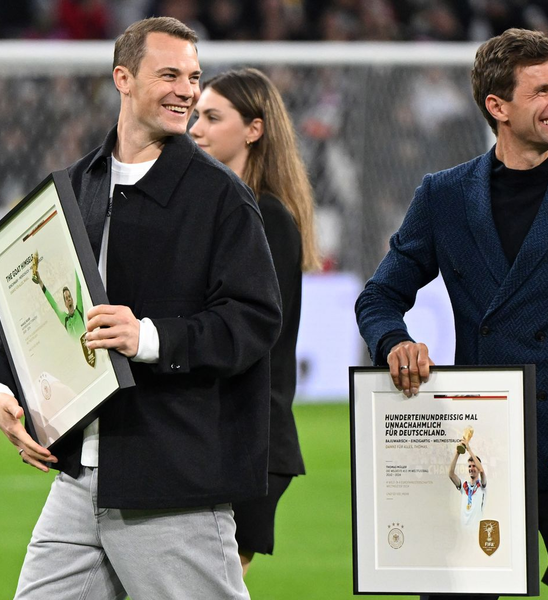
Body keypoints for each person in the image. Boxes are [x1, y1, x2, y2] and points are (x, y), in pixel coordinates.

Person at [0, 17, 282, 599]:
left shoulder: (220, 196)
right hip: (77, 481)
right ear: (123, 78)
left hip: (173, 481)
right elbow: (20, 311)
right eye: (168, 74)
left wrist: (148, 337)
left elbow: (254, 320)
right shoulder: (70, 187)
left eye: (193, 77)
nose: (186, 90)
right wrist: (1, 392)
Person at [355, 28, 548, 600]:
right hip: (487, 434)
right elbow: (378, 296)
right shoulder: (443, 195)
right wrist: (394, 342)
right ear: (498, 106)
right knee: (456, 591)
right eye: (541, 91)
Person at [189, 67, 320, 575]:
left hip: (249, 439)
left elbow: (249, 338)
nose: (195, 127)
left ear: (254, 129)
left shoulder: (267, 218)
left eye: (212, 117)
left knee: (207, 586)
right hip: (223, 434)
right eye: (196, 114)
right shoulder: (228, 210)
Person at [32, 256, 85, 340]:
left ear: (72, 299)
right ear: (65, 304)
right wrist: (40, 282)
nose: (68, 298)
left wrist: (76, 258)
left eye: (69, 296)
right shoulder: (64, 318)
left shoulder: (79, 310)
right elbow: (53, 303)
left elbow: (78, 287)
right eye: (66, 298)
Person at [449, 444, 487, 526]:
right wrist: (457, 452)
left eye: (474, 466)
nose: (471, 468)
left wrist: (469, 449)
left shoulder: (482, 485)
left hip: (476, 530)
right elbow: (451, 474)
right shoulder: (464, 485)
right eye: (469, 466)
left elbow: (481, 470)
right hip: (463, 530)